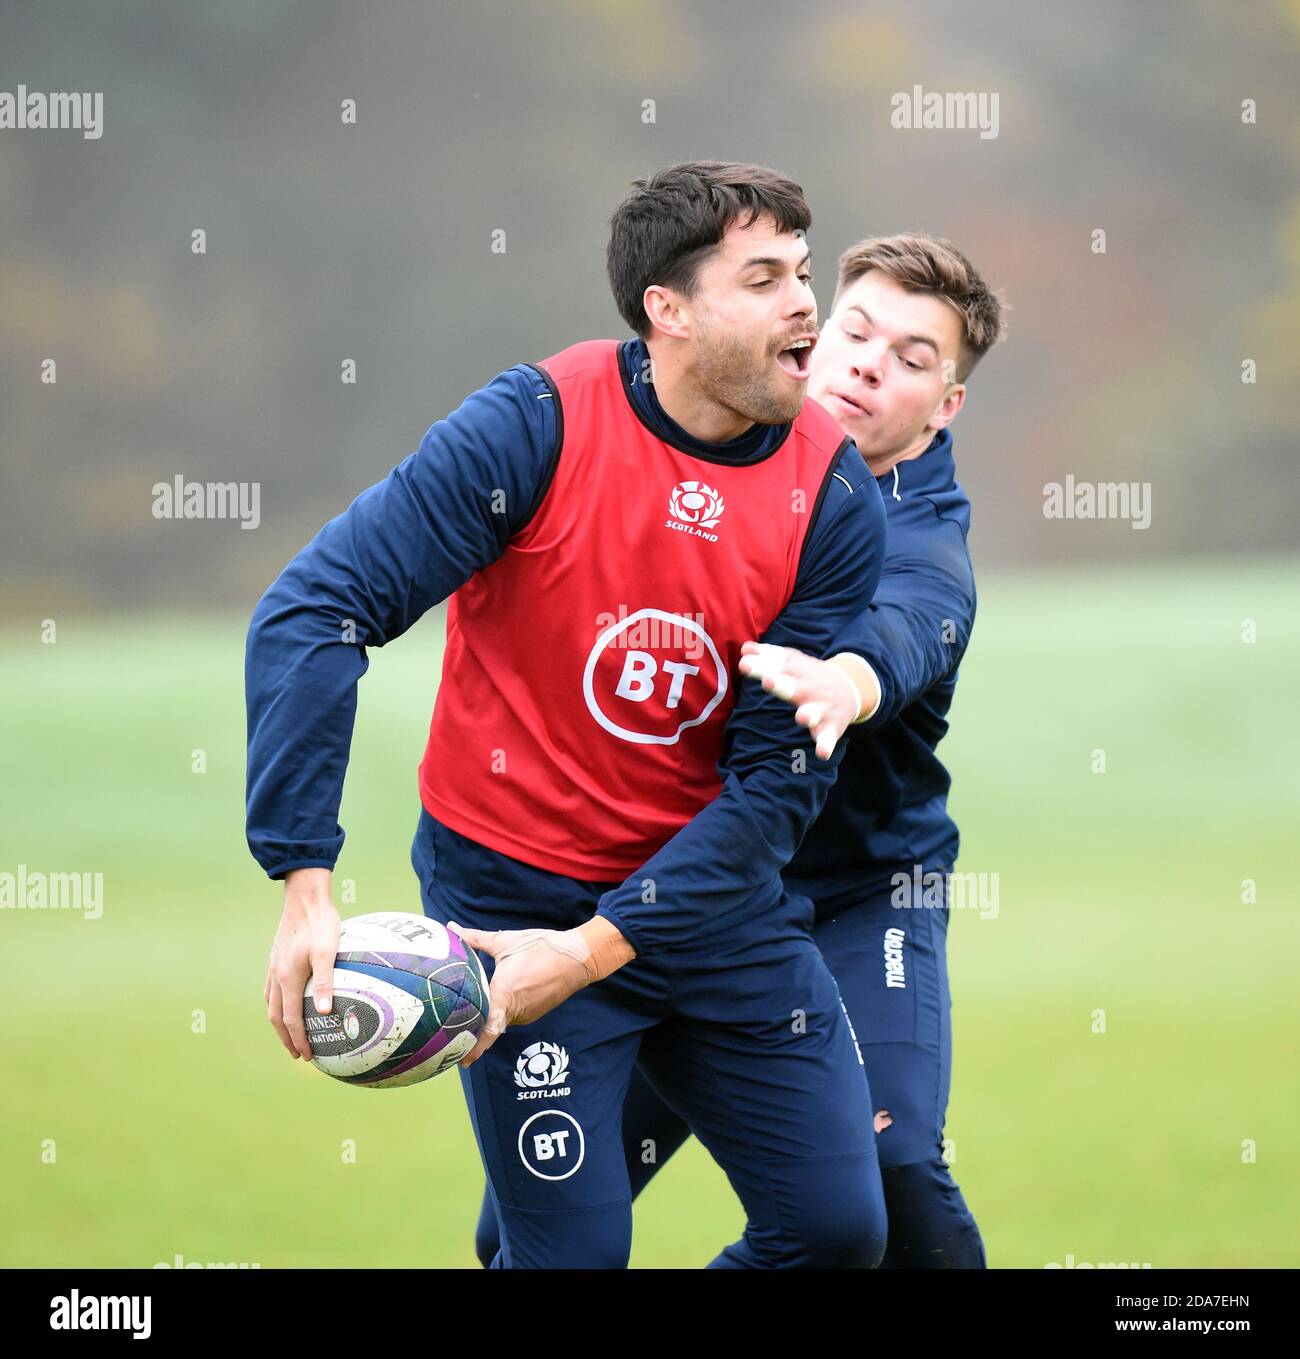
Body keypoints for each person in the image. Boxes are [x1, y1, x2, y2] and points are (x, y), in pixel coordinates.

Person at [246, 161, 891, 1268]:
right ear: (667, 310)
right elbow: (315, 609)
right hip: (508, 899)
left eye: (803, 272)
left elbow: (773, 791)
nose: (806, 305)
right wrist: (304, 878)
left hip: (708, 906)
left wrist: (590, 952)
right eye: (765, 277)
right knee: (571, 1259)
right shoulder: (534, 426)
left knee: (834, 1236)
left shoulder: (831, 498)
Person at [474, 231, 1007, 1268]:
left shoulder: (926, 539)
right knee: (523, 1233)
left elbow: (907, 628)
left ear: (945, 405)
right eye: (854, 330)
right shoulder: (719, 450)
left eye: (910, 357)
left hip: (853, 900)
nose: (865, 363)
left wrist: (843, 682)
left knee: (890, 1180)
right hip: (689, 897)